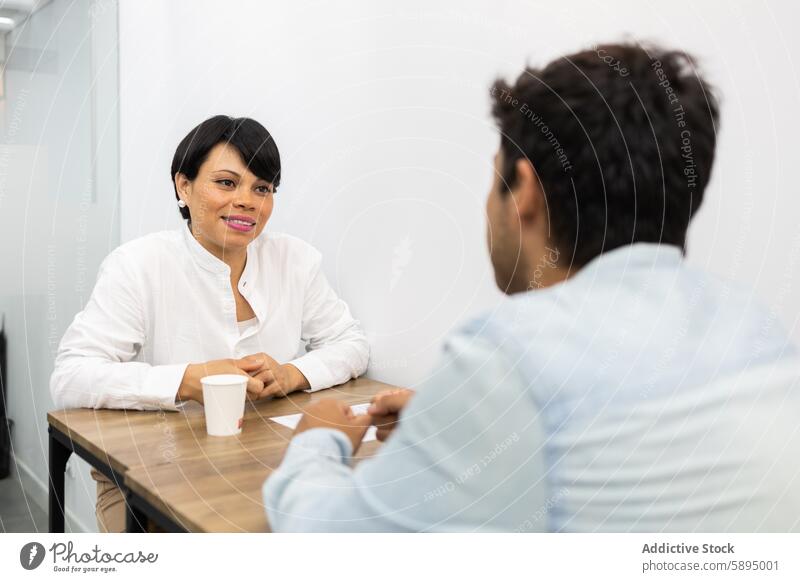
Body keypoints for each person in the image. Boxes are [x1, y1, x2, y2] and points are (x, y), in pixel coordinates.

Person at [262, 43, 800, 532]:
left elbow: (322, 540)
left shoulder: (509, 355)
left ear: (523, 191)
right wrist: (457, 420)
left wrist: (316, 440)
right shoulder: (758, 328)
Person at [50, 115, 369, 532]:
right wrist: (187, 380)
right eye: (226, 182)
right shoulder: (138, 266)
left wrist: (292, 373)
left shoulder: (295, 260)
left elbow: (350, 341)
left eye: (262, 189)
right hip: (150, 473)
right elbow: (71, 376)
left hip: (267, 459)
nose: (247, 201)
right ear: (183, 186)